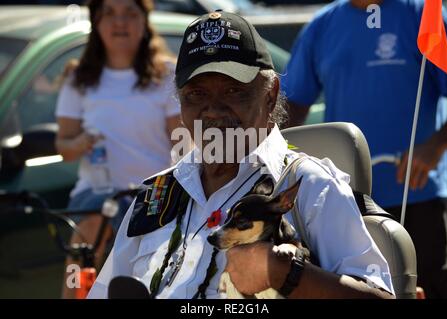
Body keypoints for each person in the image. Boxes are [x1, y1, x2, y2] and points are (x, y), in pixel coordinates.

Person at [87, 10, 394, 299]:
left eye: (234, 91)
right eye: (197, 94)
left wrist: (283, 273)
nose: (213, 110)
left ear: (270, 94)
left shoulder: (311, 187)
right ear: (180, 105)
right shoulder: (156, 195)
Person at [282, 0, 447, 298]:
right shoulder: (322, 25)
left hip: (419, 196)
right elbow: (292, 105)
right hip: (346, 202)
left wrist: (434, 146)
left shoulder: (423, 14)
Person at [55, 0, 180, 298]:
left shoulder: (167, 73)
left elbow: (183, 146)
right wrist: (81, 142)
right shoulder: (77, 78)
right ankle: (73, 294)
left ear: (145, 21)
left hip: (154, 195)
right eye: (108, 13)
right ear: (96, 22)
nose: (119, 22)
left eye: (129, 13)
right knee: (86, 236)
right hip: (96, 195)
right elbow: (64, 147)